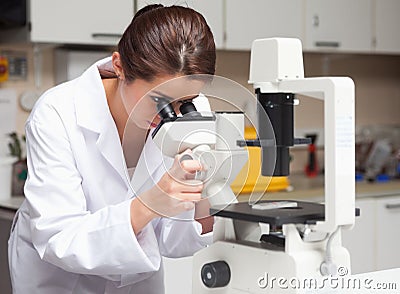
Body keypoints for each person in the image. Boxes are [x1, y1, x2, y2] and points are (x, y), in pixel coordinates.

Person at [8, 4, 216, 293]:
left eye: (185, 102)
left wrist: (206, 189)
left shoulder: (190, 115)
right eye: (158, 99)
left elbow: (176, 241)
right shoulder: (57, 112)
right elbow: (59, 237)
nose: (172, 114)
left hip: (139, 284)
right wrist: (148, 205)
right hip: (61, 283)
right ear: (119, 66)